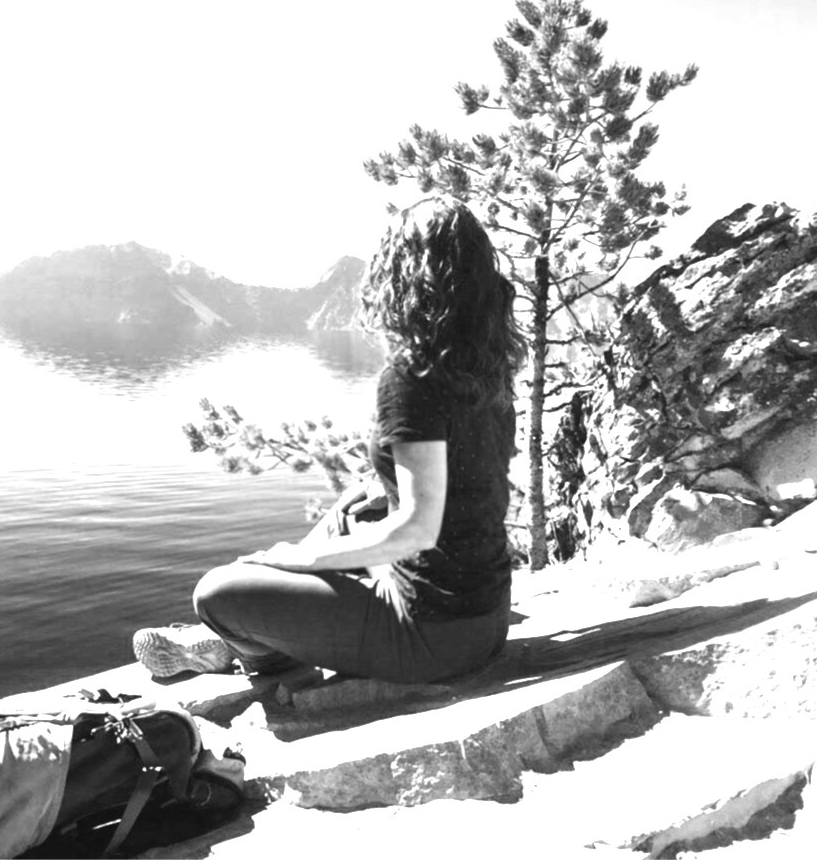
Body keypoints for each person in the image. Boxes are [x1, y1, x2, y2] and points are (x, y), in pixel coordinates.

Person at [133, 201, 527, 683]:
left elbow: (418, 531)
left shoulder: (412, 378)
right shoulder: (489, 369)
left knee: (215, 593)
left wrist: (299, 558)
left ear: (402, 275)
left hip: (431, 636)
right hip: (485, 615)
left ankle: (258, 650)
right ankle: (273, 623)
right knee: (356, 504)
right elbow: (470, 479)